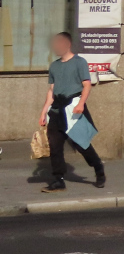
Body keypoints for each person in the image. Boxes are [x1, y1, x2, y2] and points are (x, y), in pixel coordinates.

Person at [37, 32, 105, 193]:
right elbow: (52, 90)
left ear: (67, 45)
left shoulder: (79, 62)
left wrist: (81, 103)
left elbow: (87, 85)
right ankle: (58, 180)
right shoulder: (54, 65)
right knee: (55, 146)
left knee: (81, 144)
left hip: (73, 108)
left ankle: (98, 168)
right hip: (56, 110)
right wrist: (43, 112)